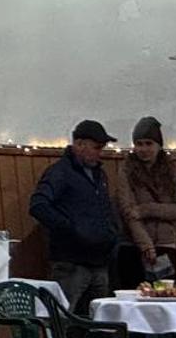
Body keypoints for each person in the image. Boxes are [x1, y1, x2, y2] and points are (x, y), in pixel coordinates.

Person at [29, 120, 121, 313]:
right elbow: (38, 205)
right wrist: (70, 230)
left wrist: (112, 234)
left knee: (98, 320)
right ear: (79, 144)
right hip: (71, 262)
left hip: (100, 261)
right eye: (96, 147)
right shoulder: (59, 173)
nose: (100, 153)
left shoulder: (99, 175)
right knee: (63, 316)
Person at [114, 117, 176, 283]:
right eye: (139, 144)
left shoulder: (173, 171)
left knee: (164, 292)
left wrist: (146, 209)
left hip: (166, 244)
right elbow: (128, 211)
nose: (143, 149)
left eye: (148, 144)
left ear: (158, 145)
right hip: (133, 245)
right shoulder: (126, 170)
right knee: (134, 292)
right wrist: (146, 245)